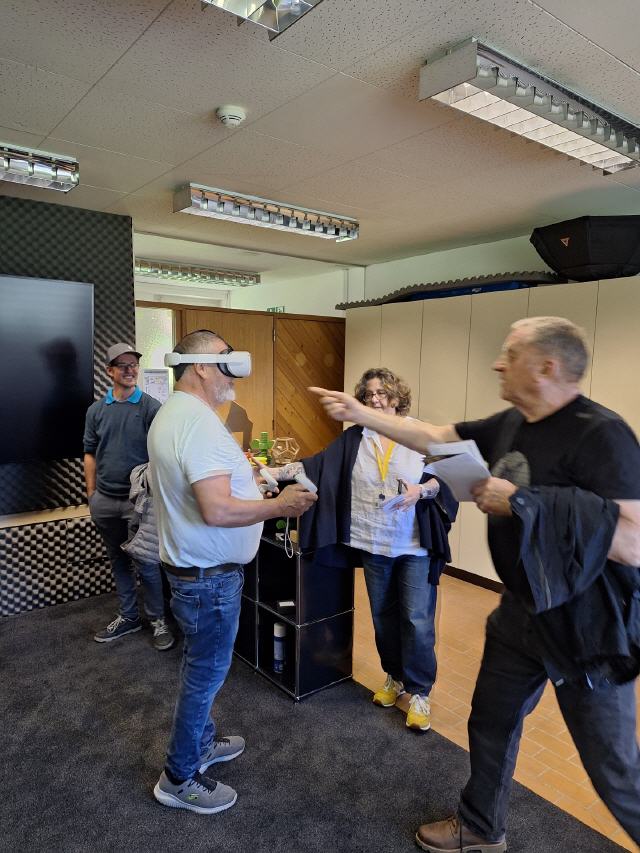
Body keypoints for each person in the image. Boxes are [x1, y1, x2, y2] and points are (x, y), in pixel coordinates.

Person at [310, 316, 640, 852]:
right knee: (490, 721)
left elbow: (633, 541)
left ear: (547, 366)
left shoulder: (603, 435)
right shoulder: (512, 421)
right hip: (520, 610)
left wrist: (523, 502)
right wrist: (360, 413)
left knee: (613, 769)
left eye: (510, 354)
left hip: (586, 622)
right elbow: (436, 437)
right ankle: (482, 827)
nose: (496, 363)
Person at [148, 329, 317, 815]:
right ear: (200, 366)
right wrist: (281, 505)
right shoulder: (197, 423)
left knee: (199, 669)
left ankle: (200, 745)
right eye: (225, 359)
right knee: (204, 677)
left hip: (195, 573)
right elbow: (217, 510)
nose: (234, 372)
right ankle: (179, 778)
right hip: (209, 579)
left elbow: (210, 487)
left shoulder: (176, 414)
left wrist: (257, 480)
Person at [264, 367, 457, 732]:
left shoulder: (417, 433)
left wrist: (421, 491)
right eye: (368, 395)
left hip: (413, 545)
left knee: (416, 620)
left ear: (397, 397)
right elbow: (315, 466)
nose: (374, 399)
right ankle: (394, 677)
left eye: (381, 393)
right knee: (382, 615)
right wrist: (271, 472)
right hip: (372, 541)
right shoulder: (355, 438)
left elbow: (447, 477)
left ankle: (419, 691)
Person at [84, 343, 174, 651]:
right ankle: (129, 616)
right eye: (122, 365)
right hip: (105, 501)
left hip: (140, 503)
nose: (129, 369)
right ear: (109, 371)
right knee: (118, 560)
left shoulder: (150, 407)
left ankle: (158, 620)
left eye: (133, 364)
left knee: (148, 563)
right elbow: (90, 452)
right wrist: (92, 494)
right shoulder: (96, 411)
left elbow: (163, 454)